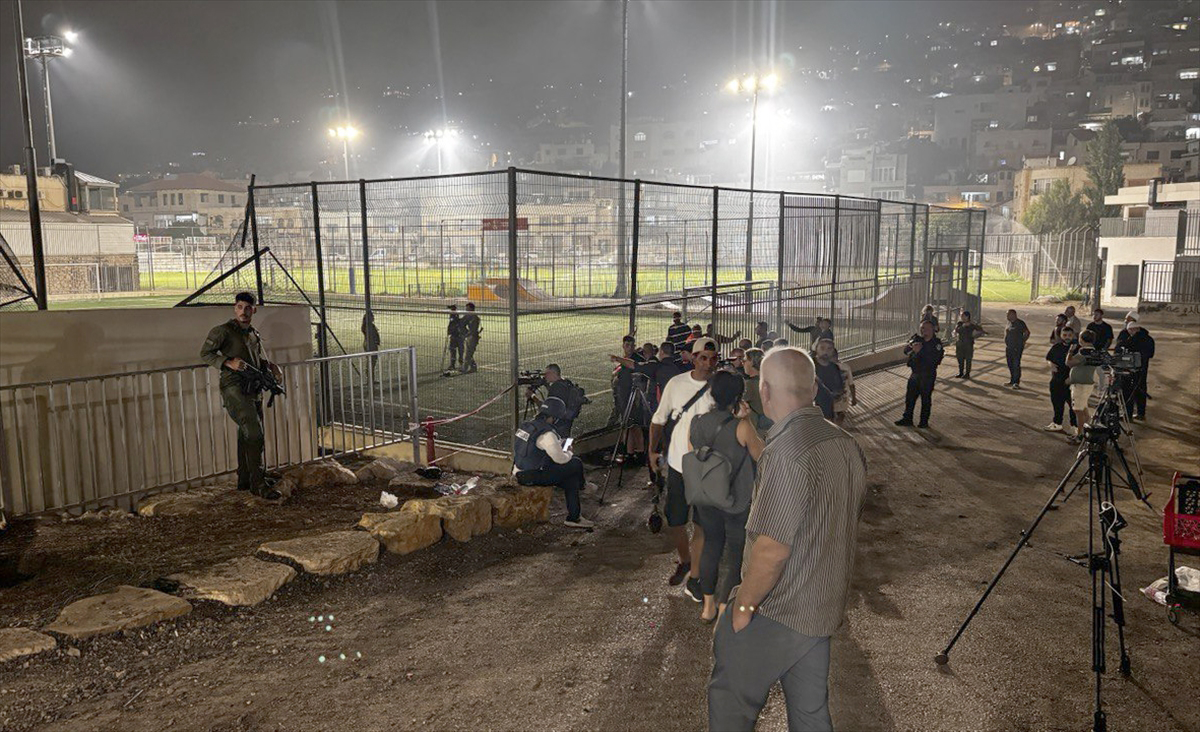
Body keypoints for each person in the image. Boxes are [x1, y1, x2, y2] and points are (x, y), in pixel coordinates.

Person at [708, 347, 868, 732]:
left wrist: (741, 609)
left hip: (777, 610)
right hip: (821, 607)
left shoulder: (785, 453)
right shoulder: (845, 444)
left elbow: (772, 550)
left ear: (763, 390)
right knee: (811, 713)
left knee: (731, 706)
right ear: (813, 387)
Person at [688, 371, 765, 623]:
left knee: (711, 546)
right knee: (735, 554)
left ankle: (707, 607)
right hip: (737, 500)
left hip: (707, 497)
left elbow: (694, 454)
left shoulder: (697, 422)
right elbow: (761, 456)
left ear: (711, 393)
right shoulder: (741, 427)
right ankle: (723, 609)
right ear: (738, 396)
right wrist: (747, 421)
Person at [649, 337, 718, 589]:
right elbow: (658, 420)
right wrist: (651, 452)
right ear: (693, 357)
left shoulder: (721, 387)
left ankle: (697, 575)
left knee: (701, 523)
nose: (708, 363)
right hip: (679, 465)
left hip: (708, 468)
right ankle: (685, 560)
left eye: (713, 358)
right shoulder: (676, 384)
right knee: (676, 520)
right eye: (703, 357)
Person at [200, 292, 283, 500]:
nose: (243, 312)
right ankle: (258, 483)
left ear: (254, 310)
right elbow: (205, 353)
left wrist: (271, 367)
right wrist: (228, 362)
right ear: (234, 308)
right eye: (239, 307)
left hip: (252, 388)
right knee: (255, 433)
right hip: (234, 387)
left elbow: (255, 359)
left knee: (246, 433)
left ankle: (246, 478)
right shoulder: (223, 331)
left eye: (247, 308)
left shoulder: (253, 333)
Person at [512, 396, 594, 529]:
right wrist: (569, 451)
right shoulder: (547, 434)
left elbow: (534, 448)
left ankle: (574, 517)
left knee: (570, 478)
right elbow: (560, 459)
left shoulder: (527, 426)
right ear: (555, 417)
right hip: (532, 475)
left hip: (519, 472)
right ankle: (583, 487)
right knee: (575, 463)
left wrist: (558, 445)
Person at [894, 320, 944, 428]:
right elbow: (906, 350)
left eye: (926, 328)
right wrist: (911, 346)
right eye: (922, 328)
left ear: (932, 329)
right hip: (915, 373)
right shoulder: (917, 339)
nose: (923, 330)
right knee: (910, 398)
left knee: (925, 399)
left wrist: (919, 351)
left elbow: (934, 360)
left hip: (927, 375)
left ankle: (923, 421)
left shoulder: (936, 344)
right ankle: (907, 418)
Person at [527, 364, 588, 437]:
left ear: (554, 373)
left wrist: (532, 396)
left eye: (547, 374)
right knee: (566, 441)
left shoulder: (555, 388)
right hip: (567, 421)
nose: (545, 376)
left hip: (558, 423)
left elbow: (546, 408)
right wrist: (547, 385)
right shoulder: (566, 382)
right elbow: (560, 396)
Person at [1115, 316, 1155, 420]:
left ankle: (1128, 414)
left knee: (1128, 391)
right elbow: (1151, 354)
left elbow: (1121, 347)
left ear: (1135, 329)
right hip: (1142, 369)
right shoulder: (1149, 338)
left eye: (1130, 331)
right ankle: (1140, 413)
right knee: (1140, 390)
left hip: (1132, 369)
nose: (1130, 333)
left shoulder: (1135, 339)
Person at [1044, 325, 1079, 436]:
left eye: (1069, 335)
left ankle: (1075, 426)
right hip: (1056, 380)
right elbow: (1048, 358)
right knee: (1057, 403)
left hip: (1070, 381)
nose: (1067, 337)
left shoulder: (1077, 348)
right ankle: (1057, 423)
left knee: (1073, 406)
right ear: (1061, 335)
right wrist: (1051, 364)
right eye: (1064, 335)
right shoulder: (1057, 347)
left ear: (1073, 335)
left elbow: (1079, 365)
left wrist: (1072, 378)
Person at [1066, 330, 1099, 438]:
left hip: (1080, 385)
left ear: (1082, 339)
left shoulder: (1084, 352)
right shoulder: (1094, 351)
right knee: (1083, 408)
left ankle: (1080, 434)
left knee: (1078, 410)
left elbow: (1069, 363)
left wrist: (1070, 352)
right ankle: (1086, 431)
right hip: (1087, 383)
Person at [811, 338, 845, 421]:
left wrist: (837, 394)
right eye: (822, 348)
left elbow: (839, 388)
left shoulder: (835, 368)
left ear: (833, 351)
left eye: (829, 349)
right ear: (816, 349)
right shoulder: (810, 365)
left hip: (827, 411)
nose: (825, 351)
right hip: (810, 411)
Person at [741, 347, 770, 433]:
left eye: (745, 360)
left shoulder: (749, 385)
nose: (742, 363)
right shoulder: (769, 381)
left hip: (757, 430)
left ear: (752, 362)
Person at [952, 310, 987, 379]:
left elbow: (981, 330)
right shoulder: (960, 323)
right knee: (960, 358)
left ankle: (967, 373)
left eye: (963, 316)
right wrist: (963, 326)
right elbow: (956, 330)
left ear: (967, 316)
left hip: (968, 344)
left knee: (968, 359)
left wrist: (975, 333)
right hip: (960, 344)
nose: (962, 317)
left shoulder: (972, 324)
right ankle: (961, 372)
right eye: (961, 316)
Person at [1003, 308, 1031, 389]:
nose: (1007, 316)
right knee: (1010, 363)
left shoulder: (1020, 323)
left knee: (1016, 364)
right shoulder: (1009, 323)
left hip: (1016, 347)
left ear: (1013, 315)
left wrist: (1022, 341)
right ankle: (1012, 380)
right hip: (1009, 347)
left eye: (1008, 314)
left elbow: (1027, 332)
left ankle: (1016, 382)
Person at [831, 347, 857, 427]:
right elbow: (851, 384)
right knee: (841, 414)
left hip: (831, 398)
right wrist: (853, 398)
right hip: (844, 398)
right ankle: (838, 427)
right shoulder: (846, 367)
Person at [460, 302, 482, 373]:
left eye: (467, 308)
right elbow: (462, 322)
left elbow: (473, 329)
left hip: (473, 337)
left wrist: (466, 334)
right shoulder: (468, 316)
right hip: (469, 336)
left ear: (472, 309)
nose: (466, 309)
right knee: (469, 352)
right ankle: (473, 367)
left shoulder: (474, 318)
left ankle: (465, 368)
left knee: (468, 353)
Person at [446, 304, 464, 372]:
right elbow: (451, 324)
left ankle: (461, 365)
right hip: (453, 336)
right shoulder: (452, 315)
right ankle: (452, 364)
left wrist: (450, 330)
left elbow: (455, 324)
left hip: (459, 336)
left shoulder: (455, 315)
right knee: (453, 350)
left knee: (460, 351)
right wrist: (449, 331)